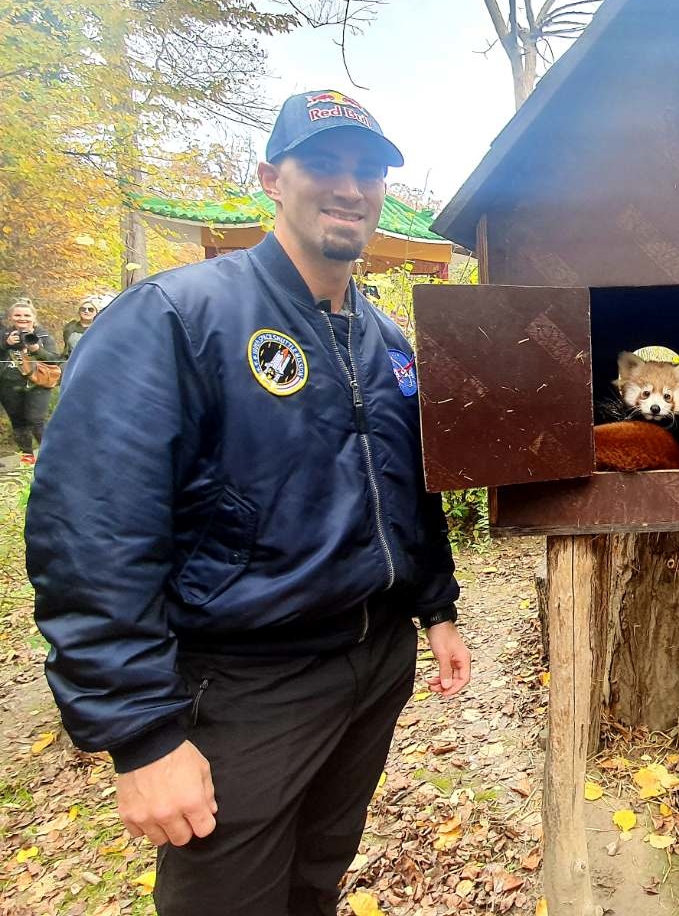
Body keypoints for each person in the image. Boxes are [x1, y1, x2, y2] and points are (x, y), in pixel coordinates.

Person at [27, 90, 471, 915]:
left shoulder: (387, 341)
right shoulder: (174, 317)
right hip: (243, 683)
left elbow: (408, 491)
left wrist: (435, 607)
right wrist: (142, 734)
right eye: (324, 164)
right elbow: (89, 531)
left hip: (372, 666)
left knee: (316, 878)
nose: (350, 188)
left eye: (368, 171)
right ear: (272, 177)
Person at [0, 299, 58, 463]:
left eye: (26, 315)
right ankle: (26, 455)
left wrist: (36, 349)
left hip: (37, 384)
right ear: (11, 318)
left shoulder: (43, 335)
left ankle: (50, 455)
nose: (22, 318)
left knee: (35, 419)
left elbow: (54, 360)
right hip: (8, 384)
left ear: (34, 317)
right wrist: (5, 343)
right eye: (17, 315)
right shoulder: (4, 334)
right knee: (18, 420)